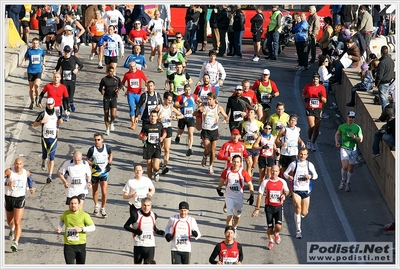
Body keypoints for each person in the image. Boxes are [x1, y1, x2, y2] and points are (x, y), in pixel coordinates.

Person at [251, 165, 289, 250]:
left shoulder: (282, 181)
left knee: (278, 226)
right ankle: (271, 240)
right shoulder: (265, 182)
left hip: (278, 207)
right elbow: (260, 195)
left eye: (276, 171)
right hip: (269, 207)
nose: (274, 173)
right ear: (270, 171)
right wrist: (257, 208)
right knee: (270, 227)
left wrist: (284, 195)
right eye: (272, 171)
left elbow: (287, 190)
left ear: (279, 172)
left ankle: (276, 233)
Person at [283, 148, 318, 239]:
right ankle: (298, 230)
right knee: (298, 207)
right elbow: (285, 173)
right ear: (298, 154)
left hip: (306, 190)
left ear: (307, 155)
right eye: (301, 154)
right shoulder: (294, 164)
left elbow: (316, 175)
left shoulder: (309, 165)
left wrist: (310, 176)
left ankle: (299, 216)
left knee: (304, 212)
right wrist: (289, 176)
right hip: (296, 189)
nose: (302, 156)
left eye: (304, 154)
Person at [193, 92, 229, 175]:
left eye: (210, 99)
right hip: (205, 130)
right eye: (207, 99)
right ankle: (205, 156)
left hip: (214, 131)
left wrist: (225, 120)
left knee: (213, 151)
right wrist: (199, 111)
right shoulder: (204, 106)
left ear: (214, 100)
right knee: (208, 149)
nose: (208, 101)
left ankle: (211, 167)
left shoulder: (218, 108)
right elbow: (194, 114)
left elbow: (226, 116)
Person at [5, 157, 35, 252]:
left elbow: (29, 178)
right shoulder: (9, 172)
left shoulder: (26, 173)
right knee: (10, 220)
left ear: (23, 164)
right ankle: (12, 229)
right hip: (9, 197)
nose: (18, 166)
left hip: (20, 198)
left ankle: (16, 243)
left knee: (18, 221)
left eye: (20, 164)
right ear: (14, 164)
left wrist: (31, 187)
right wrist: (7, 183)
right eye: (16, 164)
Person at [217, 155, 254, 231]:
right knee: (230, 215)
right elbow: (222, 180)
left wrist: (252, 195)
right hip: (229, 196)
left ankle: (234, 227)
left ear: (240, 163)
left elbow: (250, 183)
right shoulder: (227, 171)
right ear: (232, 162)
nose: (235, 163)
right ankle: (229, 231)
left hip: (239, 197)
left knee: (237, 216)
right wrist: (219, 189)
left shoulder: (243, 172)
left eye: (237, 162)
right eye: (234, 161)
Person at [123, 197, 165, 264]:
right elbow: (126, 226)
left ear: (151, 206)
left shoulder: (154, 215)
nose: (146, 207)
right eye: (144, 205)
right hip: (139, 245)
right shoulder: (136, 215)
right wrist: (135, 231)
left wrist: (158, 231)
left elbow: (153, 227)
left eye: (148, 205)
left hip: (150, 245)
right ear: (141, 205)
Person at [56, 196, 96, 264]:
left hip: (80, 245)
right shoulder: (66, 213)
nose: (73, 205)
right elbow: (61, 220)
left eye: (75, 203)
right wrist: (59, 227)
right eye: (71, 203)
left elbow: (93, 227)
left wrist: (81, 229)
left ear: (79, 204)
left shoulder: (84, 215)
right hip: (68, 245)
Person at [32, 97, 62, 183]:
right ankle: (43, 161)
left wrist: (59, 123)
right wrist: (41, 122)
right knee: (44, 155)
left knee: (52, 158)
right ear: (46, 104)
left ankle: (49, 176)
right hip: (44, 138)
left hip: (54, 139)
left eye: (51, 104)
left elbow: (59, 121)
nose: (50, 106)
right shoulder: (42, 113)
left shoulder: (57, 113)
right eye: (48, 104)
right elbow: (34, 124)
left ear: (54, 104)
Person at [334, 111, 363, 192]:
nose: (351, 119)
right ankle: (343, 180)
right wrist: (336, 141)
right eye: (350, 117)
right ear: (347, 117)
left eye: (352, 117)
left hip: (353, 150)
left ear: (354, 118)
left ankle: (348, 182)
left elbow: (361, 140)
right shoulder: (342, 126)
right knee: (345, 166)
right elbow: (337, 134)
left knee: (351, 168)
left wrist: (354, 137)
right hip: (344, 148)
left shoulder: (357, 128)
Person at [86, 132, 113, 218]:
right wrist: (92, 164)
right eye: (95, 140)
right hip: (95, 173)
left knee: (104, 192)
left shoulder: (107, 147)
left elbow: (111, 154)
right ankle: (96, 205)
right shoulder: (92, 149)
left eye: (98, 140)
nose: (97, 141)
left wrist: (109, 163)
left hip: (104, 173)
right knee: (95, 191)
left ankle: (103, 208)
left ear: (102, 140)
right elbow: (87, 159)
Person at [55, 45, 84, 120]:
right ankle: (66, 113)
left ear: (70, 52)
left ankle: (71, 102)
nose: (66, 53)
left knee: (70, 96)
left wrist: (77, 69)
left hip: (72, 80)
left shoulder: (73, 58)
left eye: (68, 52)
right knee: (65, 97)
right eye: (65, 52)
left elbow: (81, 65)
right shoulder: (61, 59)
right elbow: (57, 67)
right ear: (63, 51)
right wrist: (54, 71)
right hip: (64, 80)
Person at [138, 109, 167, 181]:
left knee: (156, 167)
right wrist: (143, 137)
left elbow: (164, 133)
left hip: (157, 146)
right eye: (151, 116)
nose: (153, 118)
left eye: (154, 116)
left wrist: (162, 138)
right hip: (148, 146)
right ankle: (149, 181)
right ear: (149, 117)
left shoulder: (160, 125)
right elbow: (139, 136)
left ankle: (156, 172)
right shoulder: (146, 126)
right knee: (149, 164)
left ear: (157, 117)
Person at [159, 91, 184, 173]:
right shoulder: (159, 107)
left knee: (167, 149)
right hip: (160, 129)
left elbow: (181, 115)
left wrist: (175, 117)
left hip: (168, 128)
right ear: (164, 99)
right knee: (159, 148)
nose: (170, 102)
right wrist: (159, 119)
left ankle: (164, 166)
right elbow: (152, 117)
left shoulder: (171, 108)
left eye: (171, 100)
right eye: (168, 100)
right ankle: (158, 162)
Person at [302, 72, 327, 152]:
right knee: (312, 125)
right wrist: (305, 98)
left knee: (316, 128)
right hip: (310, 108)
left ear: (318, 80)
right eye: (314, 79)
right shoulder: (308, 86)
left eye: (316, 79)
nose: (315, 81)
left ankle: (313, 143)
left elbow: (325, 100)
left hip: (318, 109)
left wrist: (320, 97)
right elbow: (303, 94)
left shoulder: (322, 88)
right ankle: (309, 140)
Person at [276, 114, 306, 182]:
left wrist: (301, 142)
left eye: (294, 121)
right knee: (284, 170)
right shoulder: (284, 129)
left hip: (293, 153)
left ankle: (292, 189)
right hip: (285, 153)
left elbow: (297, 137)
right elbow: (277, 140)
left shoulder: (297, 129)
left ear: (296, 122)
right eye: (291, 120)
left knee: (292, 171)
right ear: (289, 121)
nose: (292, 122)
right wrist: (281, 143)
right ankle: (282, 186)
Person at [174, 84, 200, 157]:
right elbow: (175, 105)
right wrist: (182, 105)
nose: (187, 91)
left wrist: (199, 104)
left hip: (191, 117)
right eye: (186, 90)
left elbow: (199, 100)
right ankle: (178, 135)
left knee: (190, 133)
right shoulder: (180, 96)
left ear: (191, 89)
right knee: (181, 131)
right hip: (183, 117)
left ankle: (189, 148)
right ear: (184, 90)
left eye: (189, 89)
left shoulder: (193, 96)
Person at [20, 37, 46, 109]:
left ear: (38, 44)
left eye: (36, 43)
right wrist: (22, 62)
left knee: (37, 86)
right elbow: (25, 57)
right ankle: (32, 101)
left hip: (38, 71)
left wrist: (43, 65)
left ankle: (37, 97)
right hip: (31, 71)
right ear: (32, 43)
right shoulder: (29, 50)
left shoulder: (41, 50)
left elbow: (44, 57)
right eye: (34, 43)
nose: (35, 45)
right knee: (31, 89)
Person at [122, 61, 148, 130]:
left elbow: (146, 80)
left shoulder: (140, 73)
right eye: (130, 66)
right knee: (131, 107)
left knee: (140, 109)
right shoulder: (127, 74)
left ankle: (139, 116)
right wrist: (123, 87)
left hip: (138, 94)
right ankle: (133, 123)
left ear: (135, 66)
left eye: (133, 66)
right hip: (130, 93)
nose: (132, 68)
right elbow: (122, 83)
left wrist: (146, 86)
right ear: (129, 67)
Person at [98, 66, 122, 135]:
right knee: (106, 114)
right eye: (110, 71)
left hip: (114, 98)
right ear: (107, 72)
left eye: (113, 71)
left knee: (113, 115)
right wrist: (102, 90)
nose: (112, 73)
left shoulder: (117, 78)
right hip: (106, 99)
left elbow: (120, 85)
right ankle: (107, 129)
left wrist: (118, 89)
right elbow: (100, 87)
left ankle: (111, 122)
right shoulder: (104, 79)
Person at [241, 108, 264, 176]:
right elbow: (242, 134)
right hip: (247, 146)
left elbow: (263, 135)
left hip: (255, 147)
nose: (249, 113)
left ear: (255, 115)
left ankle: (250, 170)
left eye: (251, 112)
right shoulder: (244, 124)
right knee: (249, 164)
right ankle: (249, 181)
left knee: (254, 165)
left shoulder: (260, 124)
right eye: (249, 112)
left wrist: (258, 137)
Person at [375, 45, 395, 113]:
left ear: (381, 52)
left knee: (384, 100)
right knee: (386, 98)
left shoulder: (382, 62)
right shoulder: (391, 61)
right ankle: (387, 114)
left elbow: (379, 75)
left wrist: (376, 83)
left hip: (383, 83)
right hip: (389, 81)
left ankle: (385, 114)